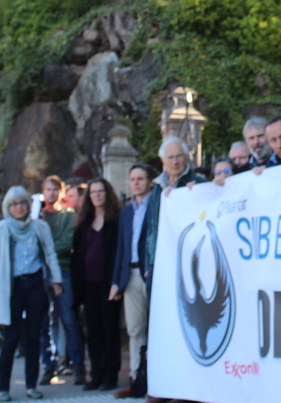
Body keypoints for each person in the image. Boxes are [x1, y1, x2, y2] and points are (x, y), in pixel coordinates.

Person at [0, 186, 63, 402]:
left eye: (22, 203)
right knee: (10, 338)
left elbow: (49, 254)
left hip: (35, 284)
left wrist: (55, 280)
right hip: (12, 287)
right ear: (7, 207)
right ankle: (3, 387)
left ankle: (31, 385)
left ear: (28, 206)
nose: (18, 207)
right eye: (14, 204)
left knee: (34, 336)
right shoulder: (0, 230)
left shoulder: (39, 227)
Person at [108, 163, 160, 398]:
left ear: (150, 182)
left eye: (140, 178)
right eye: (132, 179)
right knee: (135, 329)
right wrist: (117, 281)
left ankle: (158, 379)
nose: (136, 183)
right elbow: (121, 247)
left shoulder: (159, 206)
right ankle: (136, 379)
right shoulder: (126, 212)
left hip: (152, 273)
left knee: (158, 327)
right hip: (130, 275)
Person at [72, 177, 122, 391]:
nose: (97, 195)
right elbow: (77, 257)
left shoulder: (116, 221)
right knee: (93, 330)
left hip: (108, 283)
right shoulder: (83, 223)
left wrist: (118, 283)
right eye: (93, 192)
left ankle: (111, 374)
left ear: (107, 193)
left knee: (110, 328)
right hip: (88, 283)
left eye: (101, 191)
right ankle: (97, 373)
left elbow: (119, 253)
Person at [35, 175, 85, 385]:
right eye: (48, 189)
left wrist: (47, 247)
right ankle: (49, 365)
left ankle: (77, 364)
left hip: (63, 271)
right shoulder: (36, 217)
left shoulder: (68, 216)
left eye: (56, 189)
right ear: (43, 192)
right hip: (39, 272)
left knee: (69, 319)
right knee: (44, 322)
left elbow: (66, 242)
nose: (52, 193)